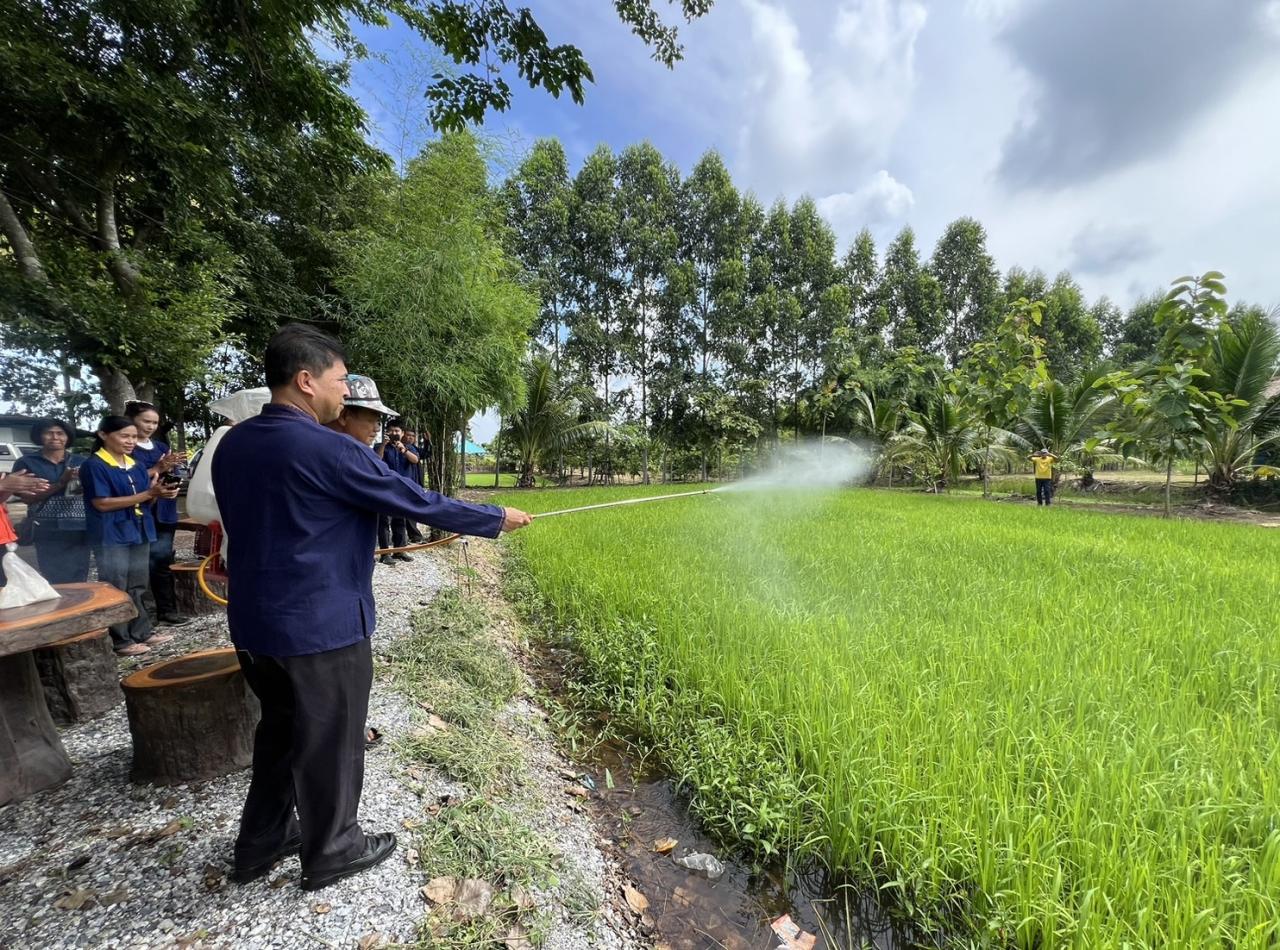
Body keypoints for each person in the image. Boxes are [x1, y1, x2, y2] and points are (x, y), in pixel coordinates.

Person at [211, 324, 531, 892]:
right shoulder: (328, 448)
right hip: (320, 626)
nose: (343, 394)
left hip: (255, 625)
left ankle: (261, 842)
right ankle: (333, 847)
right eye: (338, 381)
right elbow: (414, 500)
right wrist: (494, 519)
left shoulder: (234, 443)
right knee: (331, 739)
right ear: (307, 381)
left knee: (280, 732)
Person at [79, 415, 180, 656]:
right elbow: (102, 503)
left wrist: (159, 494)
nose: (130, 441)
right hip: (111, 532)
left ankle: (142, 631)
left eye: (133, 437)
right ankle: (120, 639)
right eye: (124, 436)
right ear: (103, 435)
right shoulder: (94, 465)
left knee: (137, 583)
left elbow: (146, 497)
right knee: (116, 584)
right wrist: (147, 495)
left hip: (139, 529)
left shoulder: (134, 464)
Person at [127, 401, 193, 627]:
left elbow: (171, 474)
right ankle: (139, 616)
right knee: (138, 566)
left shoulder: (160, 447)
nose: (150, 426)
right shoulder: (128, 448)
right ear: (132, 420)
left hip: (164, 511)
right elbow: (127, 479)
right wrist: (158, 468)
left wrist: (173, 482)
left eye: (154, 422)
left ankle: (167, 610)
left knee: (162, 562)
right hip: (139, 512)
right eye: (146, 421)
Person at [12, 419, 91, 583]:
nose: (55, 437)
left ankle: (78, 608)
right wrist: (61, 483)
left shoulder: (82, 461)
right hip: (47, 528)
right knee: (54, 576)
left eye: (60, 433)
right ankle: (62, 608)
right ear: (39, 437)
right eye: (49, 433)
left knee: (80, 575)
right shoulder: (26, 463)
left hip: (79, 527)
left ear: (67, 437)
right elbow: (28, 499)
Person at [373, 422, 418, 566]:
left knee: (400, 520)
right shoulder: (379, 447)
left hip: (402, 488)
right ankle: (385, 553)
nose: (394, 433)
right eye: (391, 430)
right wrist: (384, 445)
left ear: (402, 433)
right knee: (384, 521)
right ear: (386, 432)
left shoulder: (408, 447)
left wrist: (403, 450)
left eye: (397, 430)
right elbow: (376, 460)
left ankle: (399, 551)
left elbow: (415, 460)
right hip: (384, 488)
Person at [401, 428, 426, 543]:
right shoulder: (397, 448)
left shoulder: (413, 448)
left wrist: (427, 441)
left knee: (411, 509)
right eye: (408, 435)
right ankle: (412, 535)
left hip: (414, 482)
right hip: (404, 483)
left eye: (413, 436)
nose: (410, 437)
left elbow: (425, 454)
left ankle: (412, 535)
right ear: (402, 435)